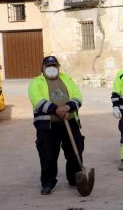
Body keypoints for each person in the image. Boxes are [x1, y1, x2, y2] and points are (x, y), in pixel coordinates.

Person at [28, 56, 84, 195]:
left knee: (74, 152)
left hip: (70, 122)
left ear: (58, 67)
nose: (52, 68)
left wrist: (68, 107)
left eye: (54, 65)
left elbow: (78, 96)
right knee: (48, 154)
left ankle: (75, 179)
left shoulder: (67, 79)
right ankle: (48, 182)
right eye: (48, 66)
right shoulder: (36, 82)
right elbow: (37, 100)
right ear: (43, 67)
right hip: (48, 126)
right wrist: (55, 109)